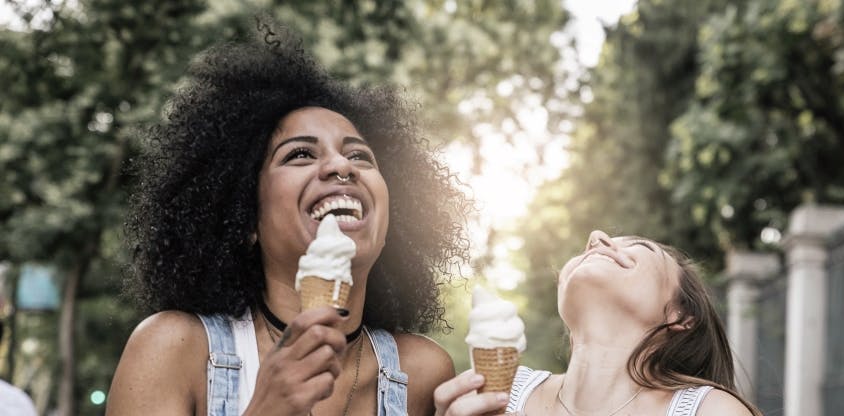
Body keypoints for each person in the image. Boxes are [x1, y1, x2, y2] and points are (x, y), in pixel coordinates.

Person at [107, 17, 469, 416]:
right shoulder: (173, 350)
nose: (340, 167)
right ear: (244, 218)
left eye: (358, 155)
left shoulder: (422, 372)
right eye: (300, 154)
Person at [433, 230, 762, 416]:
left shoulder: (711, 412)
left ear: (680, 315)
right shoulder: (491, 397)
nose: (595, 237)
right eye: (586, 247)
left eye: (639, 247)